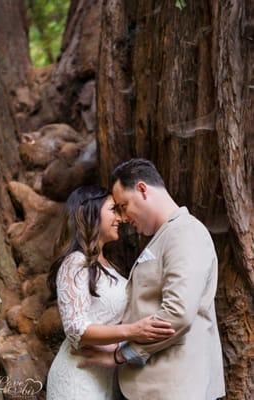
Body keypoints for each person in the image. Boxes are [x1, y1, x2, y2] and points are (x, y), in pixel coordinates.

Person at [78, 159, 226, 400]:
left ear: (142, 189)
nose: (123, 218)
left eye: (123, 206)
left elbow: (177, 312)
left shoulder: (184, 233)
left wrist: (122, 354)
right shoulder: (166, 235)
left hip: (176, 387)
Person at [46, 184, 174, 400]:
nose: (121, 218)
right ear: (90, 213)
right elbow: (76, 329)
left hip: (104, 375)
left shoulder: (107, 264)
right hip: (78, 378)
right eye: (113, 210)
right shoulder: (75, 262)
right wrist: (133, 331)